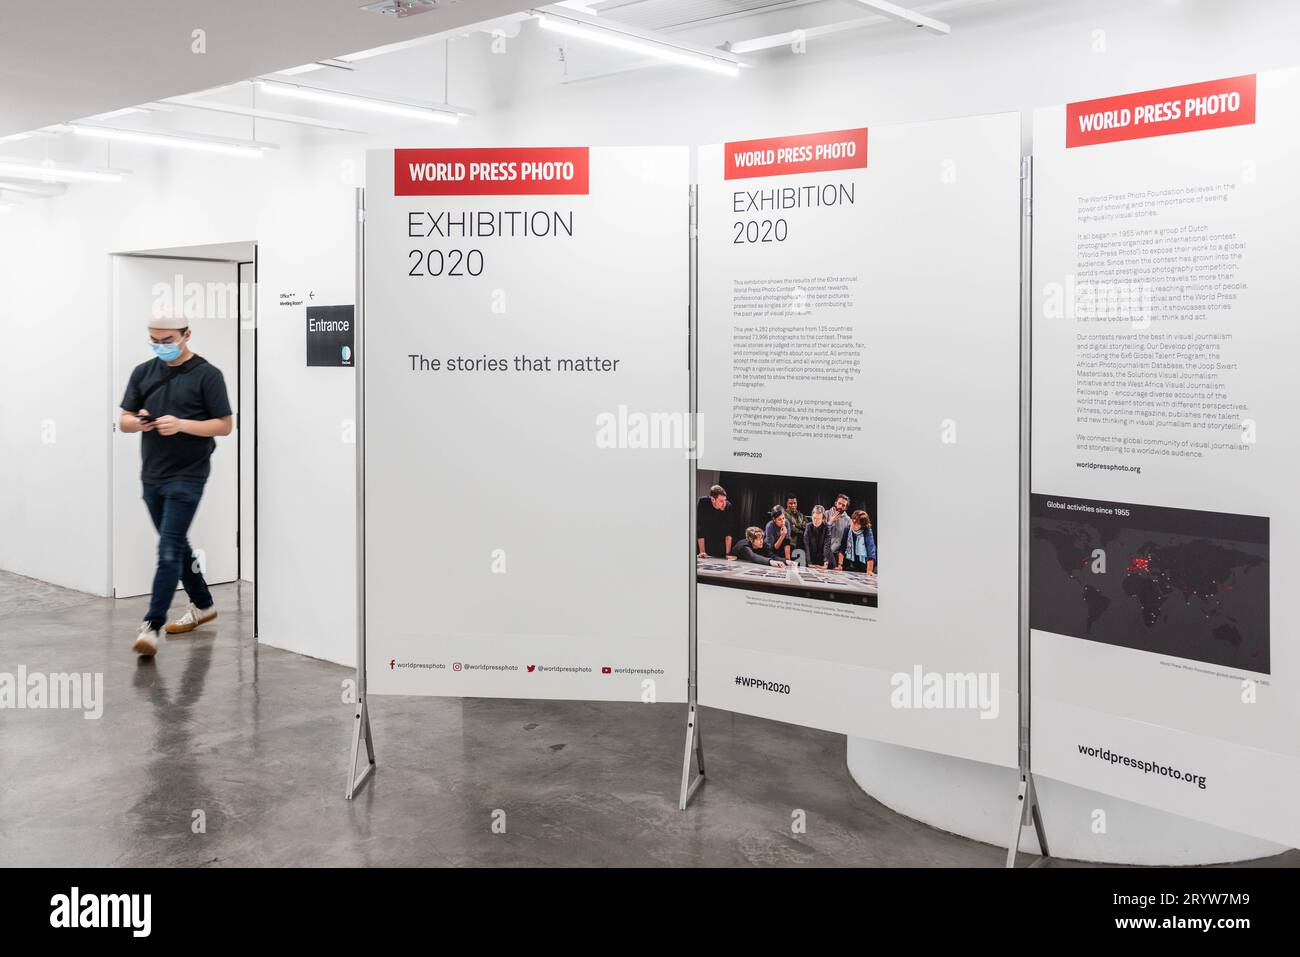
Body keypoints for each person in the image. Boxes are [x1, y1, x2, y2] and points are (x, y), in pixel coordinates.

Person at [119, 315, 233, 656]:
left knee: (167, 549)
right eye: (154, 339)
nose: (160, 346)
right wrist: (139, 423)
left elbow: (224, 426)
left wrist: (182, 424)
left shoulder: (208, 375)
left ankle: (151, 625)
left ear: (186, 335)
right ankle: (202, 604)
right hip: (152, 473)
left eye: (167, 340)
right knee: (175, 542)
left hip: (189, 474)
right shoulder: (143, 372)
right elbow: (123, 420)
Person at [696, 484, 734, 559]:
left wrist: (728, 553)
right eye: (721, 501)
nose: (724, 504)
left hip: (719, 541)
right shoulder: (703, 502)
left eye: (725, 500)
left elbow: (728, 531)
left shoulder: (728, 506)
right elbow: (700, 527)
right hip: (705, 539)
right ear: (713, 499)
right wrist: (702, 551)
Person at [836, 509, 877, 575]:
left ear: (862, 525)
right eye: (852, 522)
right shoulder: (847, 530)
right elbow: (842, 548)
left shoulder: (867, 532)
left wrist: (869, 570)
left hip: (868, 565)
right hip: (854, 564)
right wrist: (840, 565)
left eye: (856, 524)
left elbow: (871, 552)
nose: (853, 525)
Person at [825, 493, 852, 568]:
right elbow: (821, 533)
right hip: (824, 553)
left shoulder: (848, 520)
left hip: (837, 556)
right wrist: (830, 522)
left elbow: (847, 542)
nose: (840, 506)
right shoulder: (826, 513)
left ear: (846, 508)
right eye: (839, 503)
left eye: (843, 505)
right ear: (835, 503)